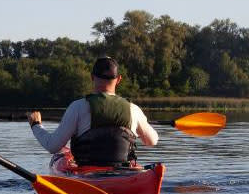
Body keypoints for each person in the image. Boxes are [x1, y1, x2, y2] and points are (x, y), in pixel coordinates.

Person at [27, 56, 159, 167]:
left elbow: (52, 146)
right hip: (123, 174)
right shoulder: (133, 109)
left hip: (86, 176)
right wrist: (136, 127)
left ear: (92, 77)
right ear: (119, 79)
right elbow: (152, 141)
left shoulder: (78, 107)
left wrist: (36, 125)